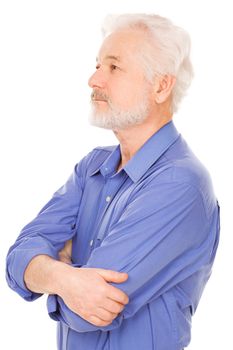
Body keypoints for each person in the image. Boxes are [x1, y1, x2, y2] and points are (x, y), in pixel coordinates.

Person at [6, 13, 220, 350]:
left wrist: (47, 270)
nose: (93, 79)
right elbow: (17, 258)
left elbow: (87, 314)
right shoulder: (92, 167)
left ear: (161, 86)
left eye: (114, 68)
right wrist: (64, 278)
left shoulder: (181, 184)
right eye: (97, 65)